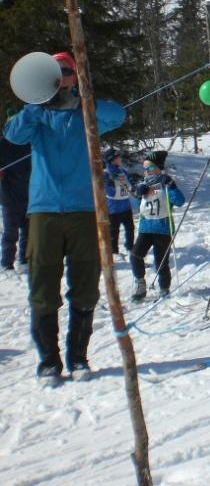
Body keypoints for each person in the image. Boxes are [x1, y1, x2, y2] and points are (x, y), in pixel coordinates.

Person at [4, 51, 126, 384]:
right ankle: (48, 361)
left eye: (66, 72)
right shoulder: (38, 115)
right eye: (55, 72)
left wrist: (84, 100)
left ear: (76, 75)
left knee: (85, 285)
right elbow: (13, 134)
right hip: (44, 210)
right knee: (43, 287)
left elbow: (118, 115)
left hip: (84, 209)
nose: (61, 78)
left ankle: (78, 357)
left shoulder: (85, 111)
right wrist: (36, 103)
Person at [130, 151, 185, 301]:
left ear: (158, 168)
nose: (146, 172)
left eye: (149, 169)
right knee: (135, 255)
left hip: (163, 228)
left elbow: (180, 201)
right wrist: (138, 192)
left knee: (161, 262)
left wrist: (172, 186)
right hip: (146, 228)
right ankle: (140, 284)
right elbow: (139, 206)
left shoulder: (165, 183)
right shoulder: (143, 185)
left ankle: (164, 289)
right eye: (145, 169)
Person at [0, 110, 31, 273]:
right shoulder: (3, 144)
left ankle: (24, 260)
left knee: (28, 230)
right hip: (9, 197)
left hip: (30, 195)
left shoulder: (30, 143)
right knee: (10, 232)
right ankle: (6, 263)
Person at [103, 148, 134, 258]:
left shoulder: (122, 171)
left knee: (130, 229)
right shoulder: (106, 174)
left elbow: (129, 185)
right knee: (114, 232)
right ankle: (114, 252)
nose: (120, 159)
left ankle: (130, 248)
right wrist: (110, 186)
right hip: (113, 209)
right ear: (112, 160)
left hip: (126, 207)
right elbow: (105, 189)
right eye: (118, 157)